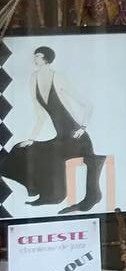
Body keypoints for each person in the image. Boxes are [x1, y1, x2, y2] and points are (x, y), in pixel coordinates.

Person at [0, 47, 107, 214]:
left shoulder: (58, 77)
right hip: (61, 138)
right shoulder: (33, 78)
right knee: (22, 150)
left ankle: (60, 195)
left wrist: (83, 127)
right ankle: (46, 193)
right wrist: (31, 138)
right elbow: (41, 116)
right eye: (34, 55)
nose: (34, 58)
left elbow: (87, 104)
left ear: (46, 59)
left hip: (77, 138)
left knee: (49, 155)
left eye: (37, 56)